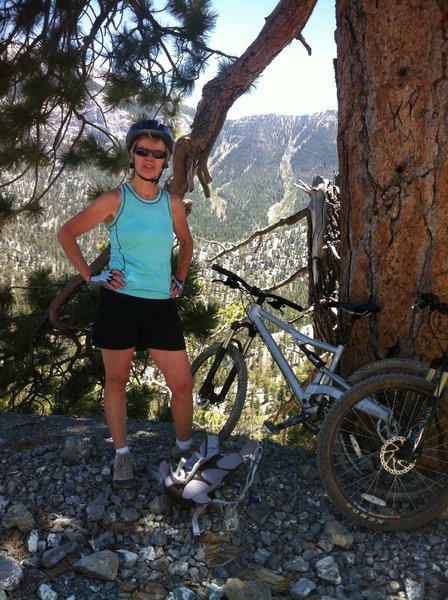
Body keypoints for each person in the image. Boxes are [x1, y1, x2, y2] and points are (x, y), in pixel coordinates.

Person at [57, 119, 195, 489]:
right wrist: (91, 276)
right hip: (119, 303)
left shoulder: (173, 205)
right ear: (132, 155)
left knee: (182, 385)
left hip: (160, 306)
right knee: (116, 382)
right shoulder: (114, 199)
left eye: (157, 153)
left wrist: (179, 279)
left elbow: (187, 243)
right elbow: (66, 233)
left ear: (166, 160)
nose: (149, 159)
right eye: (142, 151)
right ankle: (122, 456)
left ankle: (183, 447)